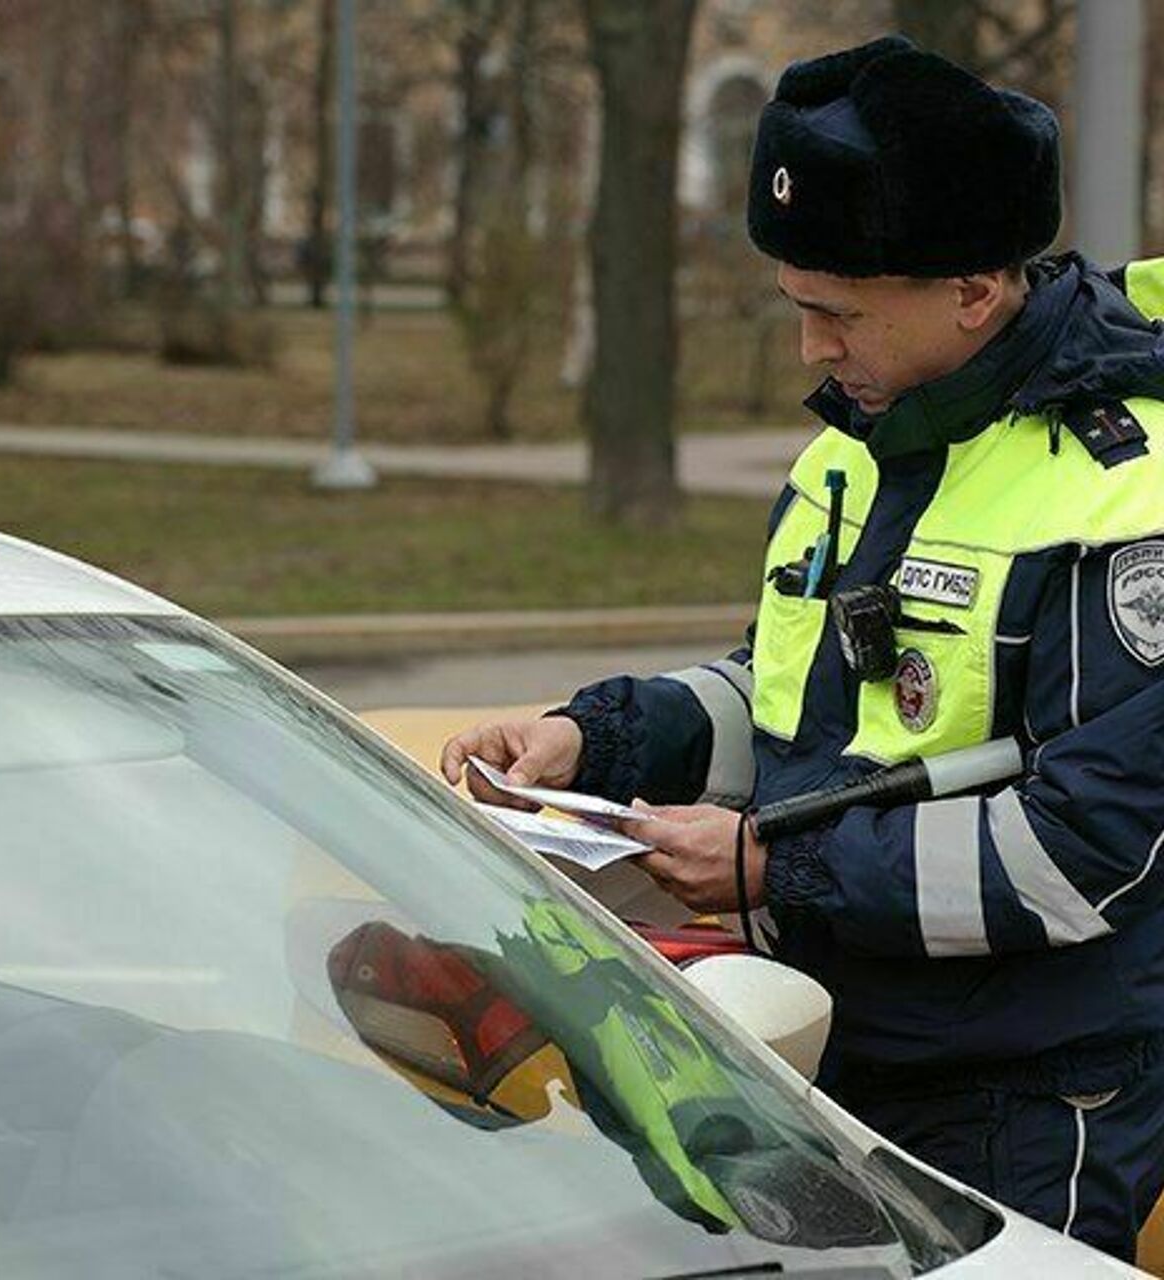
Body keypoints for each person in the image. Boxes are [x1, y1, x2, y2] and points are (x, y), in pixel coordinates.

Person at [441, 35, 1164, 1261]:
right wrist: (597, 738)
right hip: (826, 1053)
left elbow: (1083, 849)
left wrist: (778, 867)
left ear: (972, 292)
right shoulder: (861, 441)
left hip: (1023, 1100)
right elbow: (785, 703)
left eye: (836, 313)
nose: (808, 351)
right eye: (794, 307)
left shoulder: (1120, 491)